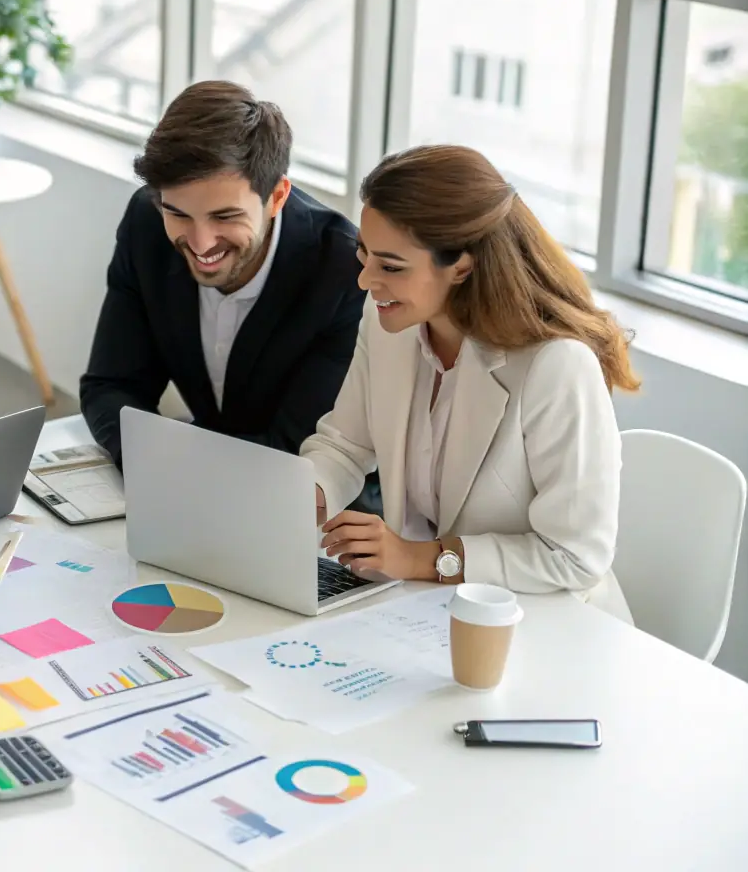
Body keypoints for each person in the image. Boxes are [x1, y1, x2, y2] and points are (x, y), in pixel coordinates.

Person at [303, 144, 638, 619]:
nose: (365, 281)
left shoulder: (557, 365)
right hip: (422, 612)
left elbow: (574, 557)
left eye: (391, 266)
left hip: (545, 621)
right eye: (365, 256)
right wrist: (303, 495)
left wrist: (419, 557)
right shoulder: (387, 323)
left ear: (461, 265)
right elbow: (344, 445)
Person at [79, 80, 366, 468]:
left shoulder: (342, 270)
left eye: (225, 216)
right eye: (178, 213)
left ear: (277, 197)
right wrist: (152, 465)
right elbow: (111, 385)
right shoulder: (146, 221)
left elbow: (296, 447)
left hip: (313, 505)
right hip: (195, 478)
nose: (199, 243)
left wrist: (174, 464)